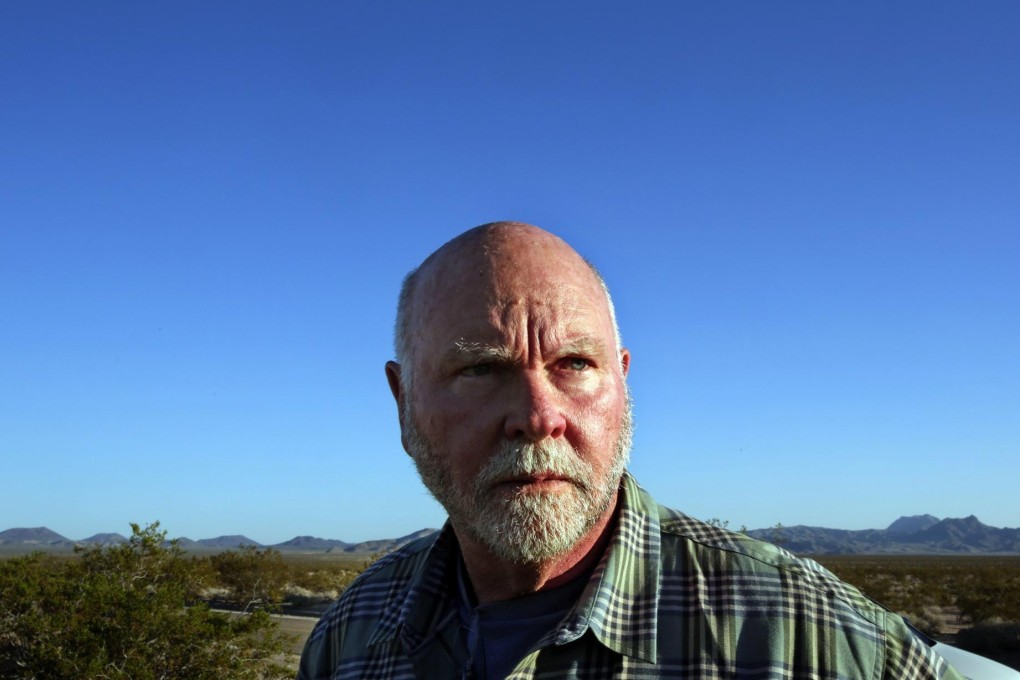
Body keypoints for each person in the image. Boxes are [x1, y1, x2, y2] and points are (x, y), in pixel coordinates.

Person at [298, 222, 962, 679]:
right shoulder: (350, 640)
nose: (537, 417)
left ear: (622, 381)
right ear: (402, 399)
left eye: (575, 363)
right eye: (480, 370)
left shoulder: (809, 637)